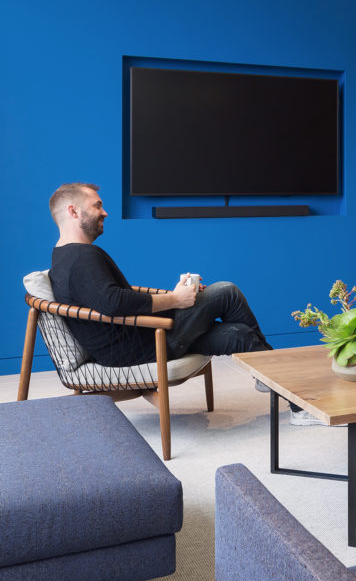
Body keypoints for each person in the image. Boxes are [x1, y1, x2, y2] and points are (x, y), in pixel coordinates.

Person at [47, 182, 319, 425]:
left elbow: (113, 299)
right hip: (142, 346)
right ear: (73, 211)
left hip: (137, 340)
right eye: (97, 206)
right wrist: (175, 299)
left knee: (241, 336)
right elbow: (114, 302)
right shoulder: (82, 257)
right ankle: (273, 377)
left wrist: (176, 298)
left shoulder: (63, 257)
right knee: (227, 292)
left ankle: (294, 401)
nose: (104, 212)